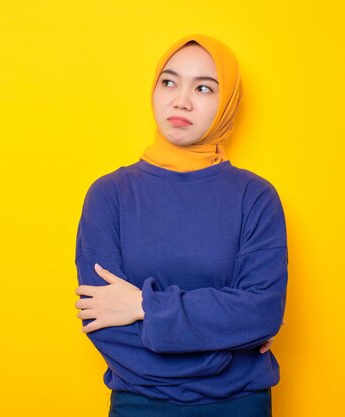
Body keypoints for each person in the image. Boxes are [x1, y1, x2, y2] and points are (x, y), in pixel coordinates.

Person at [74, 34, 288, 417]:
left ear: (226, 104)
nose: (181, 100)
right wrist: (221, 355)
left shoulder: (255, 197)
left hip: (240, 405)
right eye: (169, 82)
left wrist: (143, 305)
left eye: (203, 88)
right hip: (141, 403)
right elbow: (101, 317)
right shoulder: (110, 195)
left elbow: (262, 311)